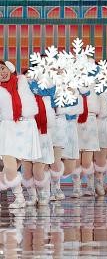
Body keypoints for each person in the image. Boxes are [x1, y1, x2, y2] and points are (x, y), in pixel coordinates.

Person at [0, 60, 41, 209]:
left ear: (9, 68)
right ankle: (19, 197)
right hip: (8, 127)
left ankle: (30, 196)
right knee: (9, 165)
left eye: (2, 68)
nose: (1, 73)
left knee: (11, 168)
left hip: (26, 127)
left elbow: (44, 88)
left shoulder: (23, 81)